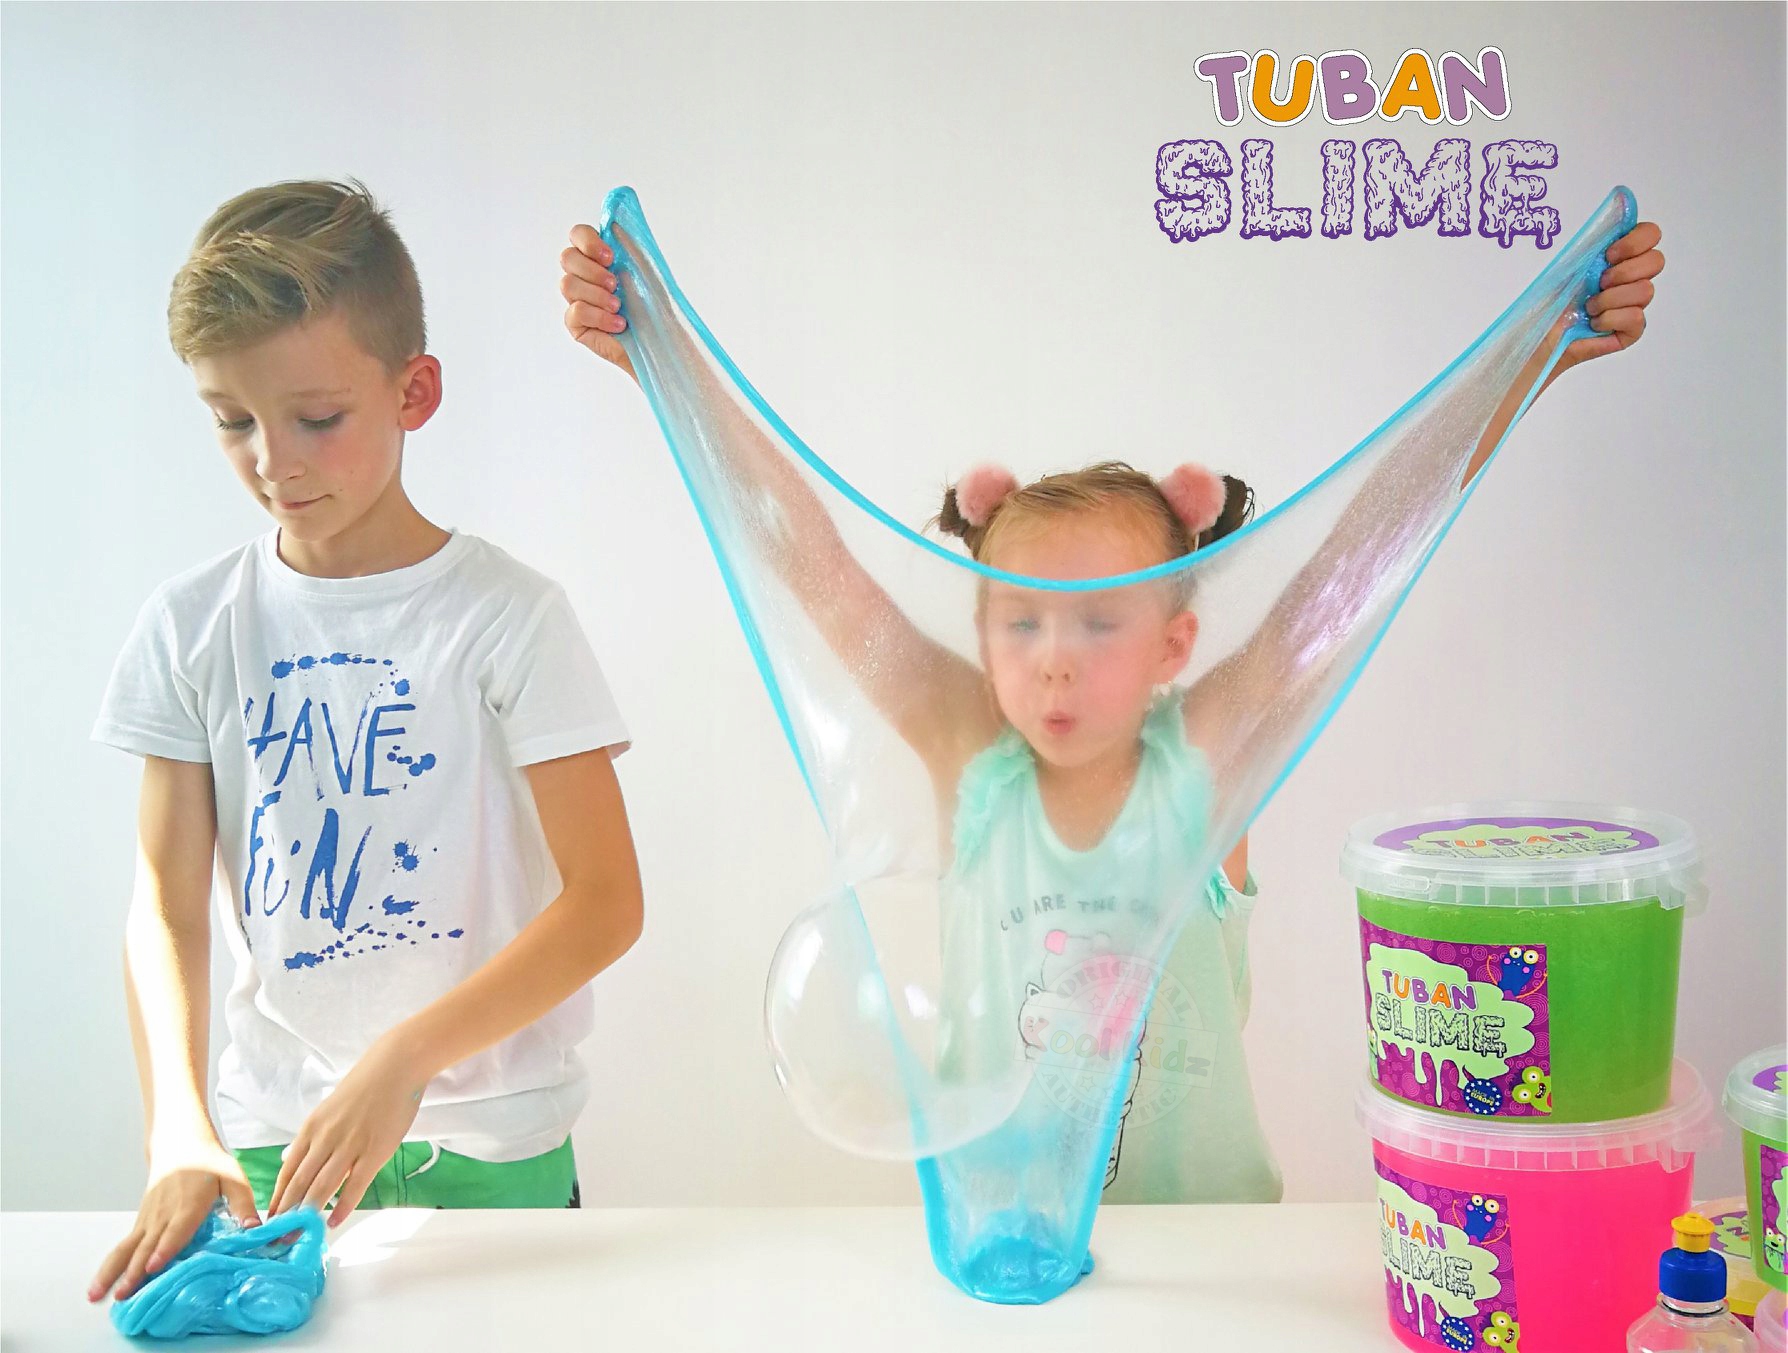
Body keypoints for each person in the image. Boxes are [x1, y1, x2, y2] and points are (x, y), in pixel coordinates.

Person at [557, 214, 1663, 1201]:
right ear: (982, 632)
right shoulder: (970, 755)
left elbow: (1359, 559)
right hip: (1009, 1242)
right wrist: (662, 358)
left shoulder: (1207, 758)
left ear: (1174, 646)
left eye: (1098, 624)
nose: (1054, 664)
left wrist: (1535, 357)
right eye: (1022, 622)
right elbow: (814, 564)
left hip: (1210, 1256)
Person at [89, 180, 644, 1306]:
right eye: (232, 420)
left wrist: (407, 1058)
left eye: (316, 418)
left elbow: (606, 903)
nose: (272, 461)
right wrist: (178, 1129)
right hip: (270, 1150)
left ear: (414, 391)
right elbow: (167, 905)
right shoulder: (191, 626)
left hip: (493, 1147)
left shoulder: (510, 618)